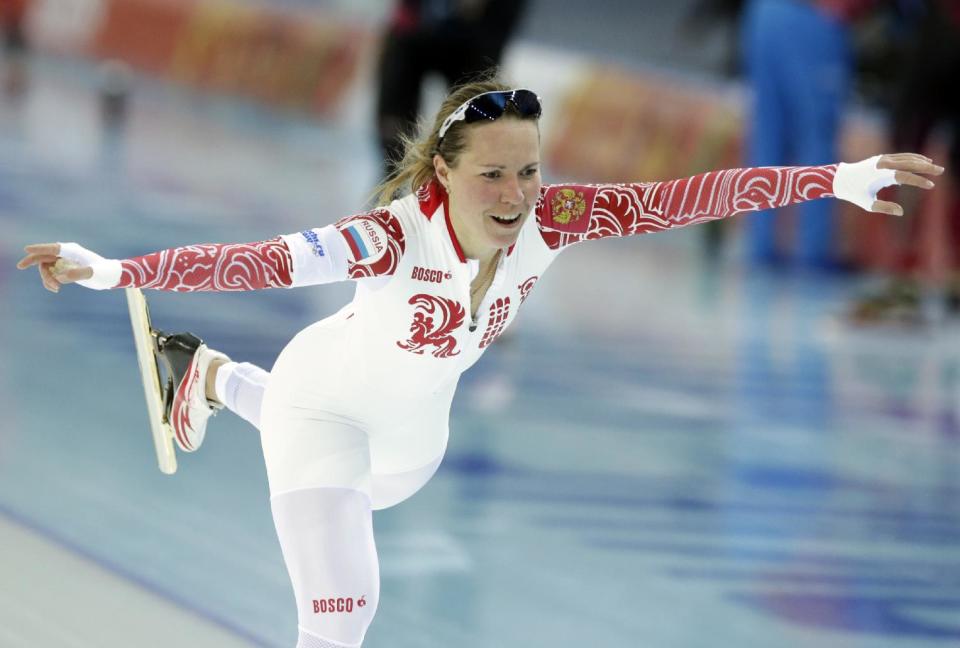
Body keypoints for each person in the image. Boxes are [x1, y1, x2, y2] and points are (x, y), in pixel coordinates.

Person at [17, 79, 943, 647]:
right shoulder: (388, 237)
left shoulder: (556, 220)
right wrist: (114, 273)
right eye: (492, 173)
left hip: (413, 439)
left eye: (528, 170)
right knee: (343, 613)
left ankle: (207, 378)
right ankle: (217, 380)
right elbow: (258, 258)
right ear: (443, 178)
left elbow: (687, 196)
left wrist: (837, 178)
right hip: (319, 405)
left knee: (378, 494)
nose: (516, 194)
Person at [376, 0, 527, 178]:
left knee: (472, 133)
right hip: (415, 28)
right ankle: (392, 180)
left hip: (479, 32)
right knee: (393, 135)